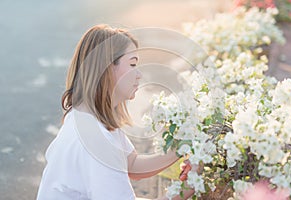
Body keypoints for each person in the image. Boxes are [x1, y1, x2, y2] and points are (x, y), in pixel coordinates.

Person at [37, 24, 195, 200]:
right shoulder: (96, 140)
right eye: (132, 64)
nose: (139, 74)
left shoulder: (87, 116)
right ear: (106, 68)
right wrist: (191, 185)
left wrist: (183, 146)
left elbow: (132, 165)